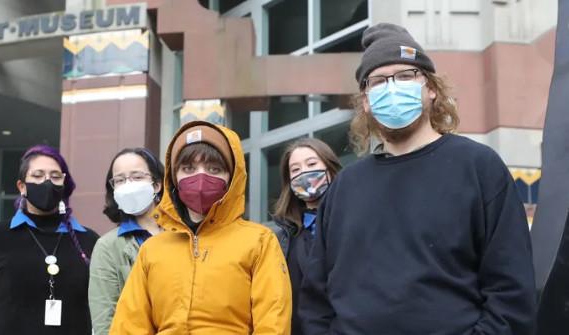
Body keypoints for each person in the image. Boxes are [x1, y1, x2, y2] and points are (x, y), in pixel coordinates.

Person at [299, 23, 536, 334]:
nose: (392, 87)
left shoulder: (478, 168)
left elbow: (511, 294)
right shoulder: (344, 188)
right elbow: (316, 301)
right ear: (366, 101)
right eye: (379, 81)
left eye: (406, 76)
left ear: (431, 88)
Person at [110, 121, 292, 334]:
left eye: (214, 168)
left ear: (232, 177)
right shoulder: (152, 250)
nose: (200, 176)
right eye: (188, 168)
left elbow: (273, 324)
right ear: (173, 177)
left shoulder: (260, 241)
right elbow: (129, 326)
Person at [0, 144, 99, 334]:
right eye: (37, 176)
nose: (47, 182)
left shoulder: (88, 241)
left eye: (55, 176)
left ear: (63, 184)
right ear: (22, 186)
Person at [88, 148, 166, 335]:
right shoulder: (108, 246)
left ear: (157, 185)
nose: (128, 185)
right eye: (120, 180)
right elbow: (105, 320)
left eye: (137, 177)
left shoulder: (183, 234)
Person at [269, 137, 341, 335]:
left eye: (311, 164)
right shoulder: (283, 237)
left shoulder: (354, 220)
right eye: (295, 170)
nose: (304, 173)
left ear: (329, 166)